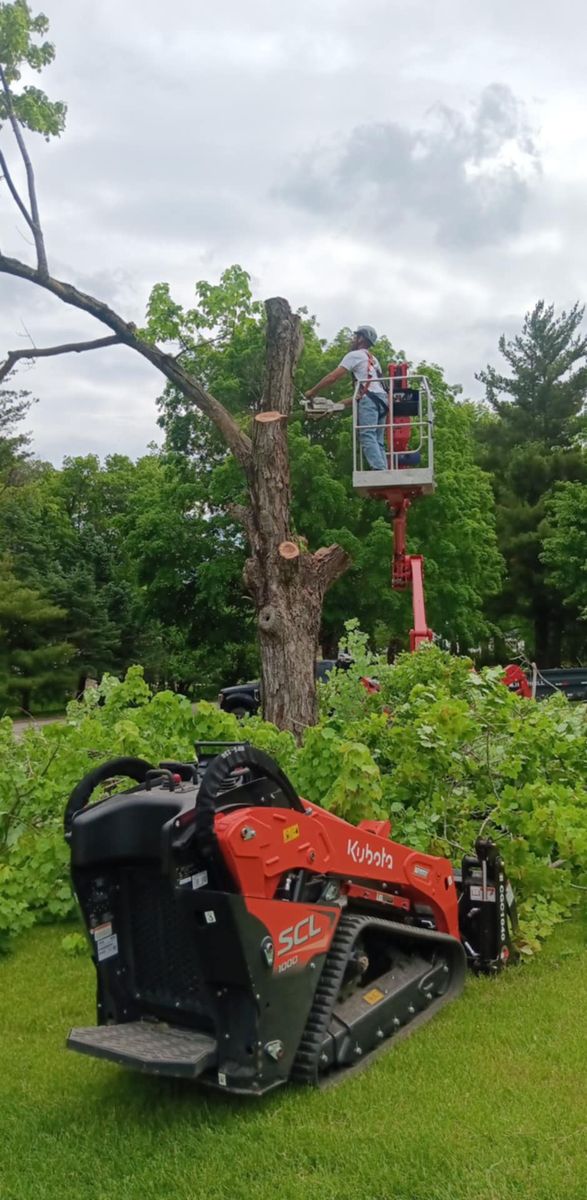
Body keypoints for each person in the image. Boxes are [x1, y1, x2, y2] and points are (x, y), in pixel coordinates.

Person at [304, 325, 388, 470]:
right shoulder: (373, 360)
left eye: (355, 336)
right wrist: (335, 406)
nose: (353, 339)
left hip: (371, 400)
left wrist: (313, 391)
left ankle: (380, 471)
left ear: (361, 339)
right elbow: (361, 396)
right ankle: (384, 470)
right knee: (377, 440)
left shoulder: (354, 355)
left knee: (367, 435)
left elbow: (333, 377)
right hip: (383, 401)